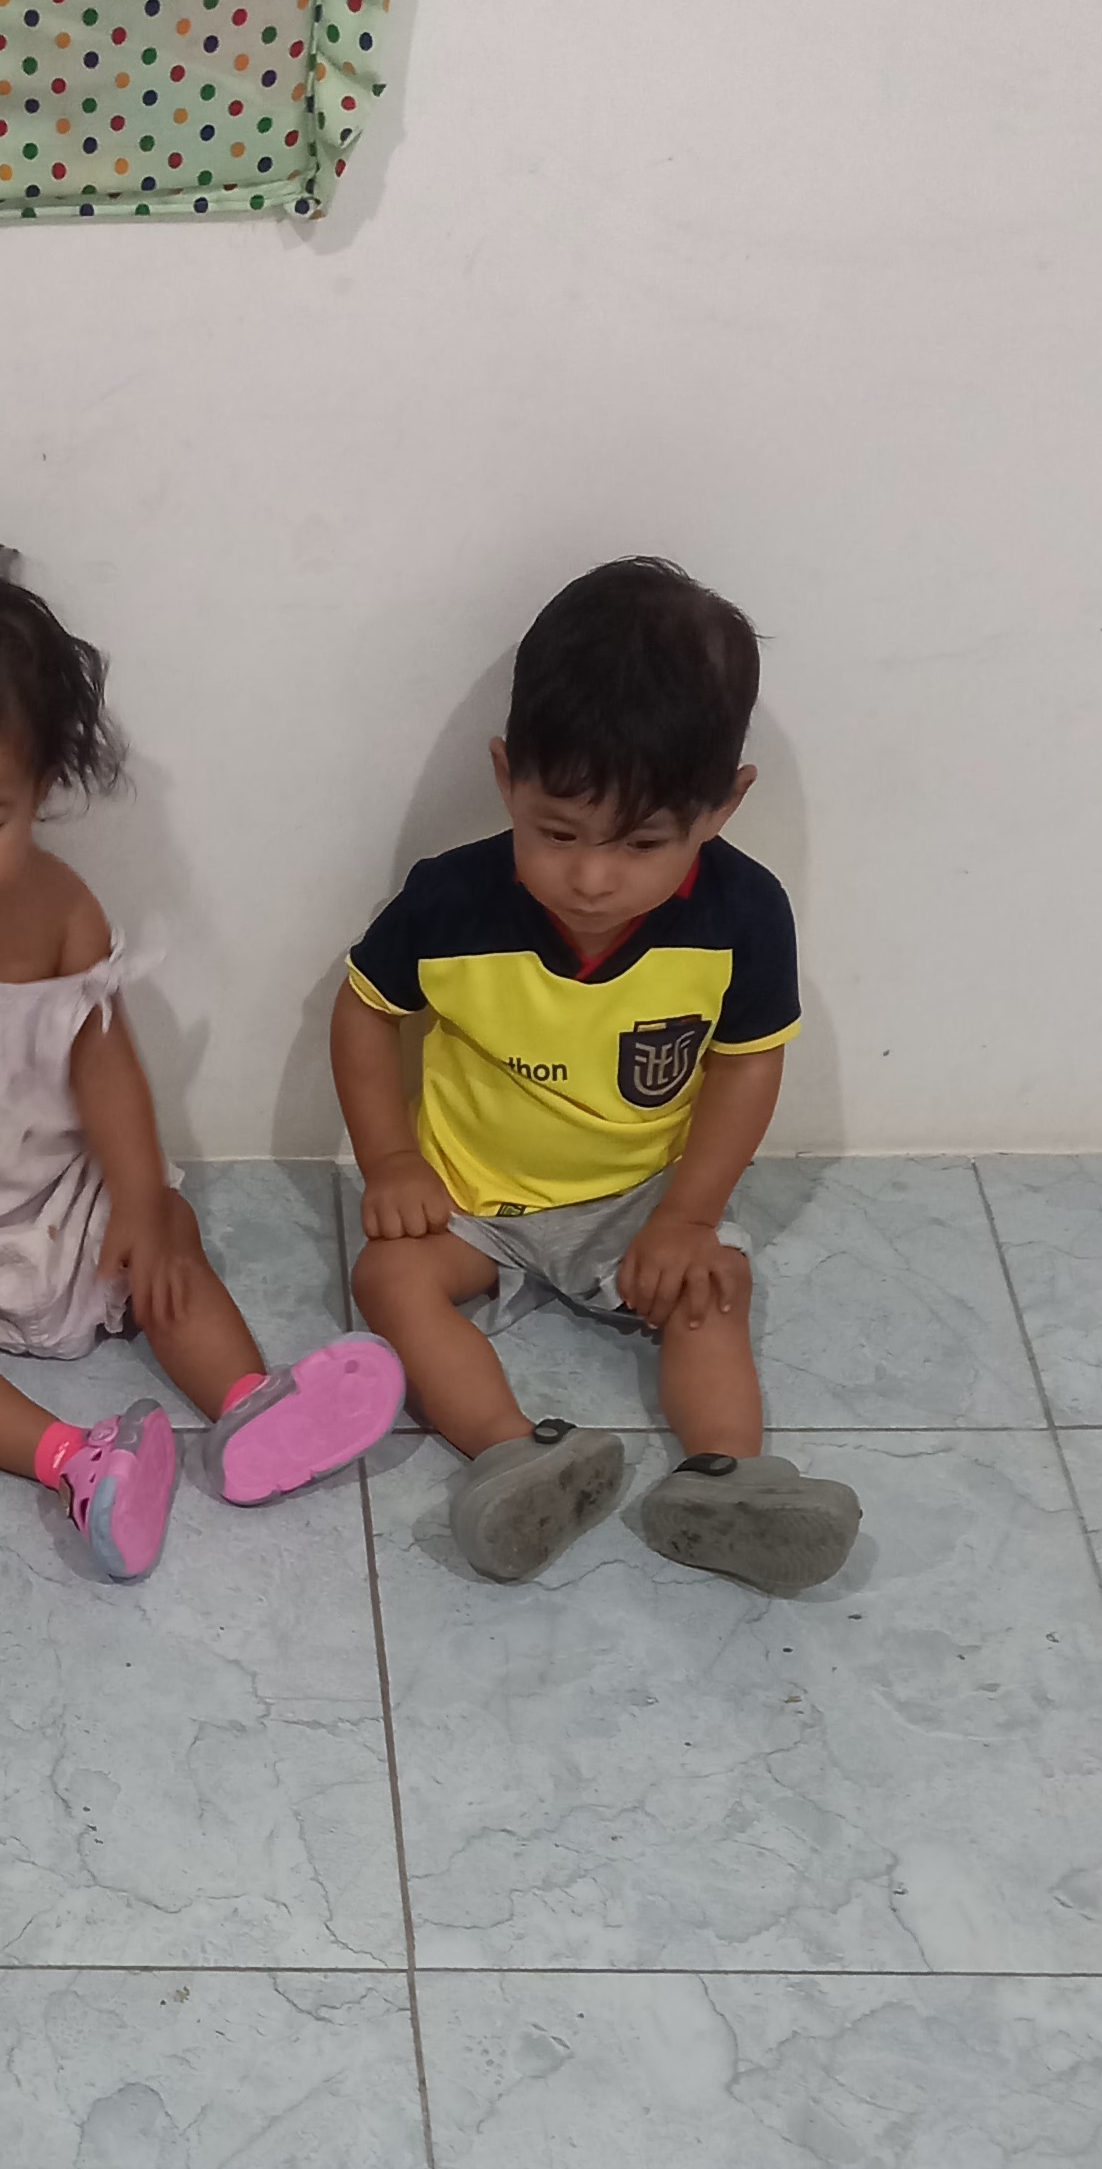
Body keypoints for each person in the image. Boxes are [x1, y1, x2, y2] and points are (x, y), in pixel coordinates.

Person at [0, 554, 404, 1584]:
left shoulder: (62, 908)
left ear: (41, 793)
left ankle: (250, 1405)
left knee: (169, 1232)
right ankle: (72, 1461)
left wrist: (139, 1196)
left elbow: (104, 1066)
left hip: (48, 1192)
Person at [333, 557, 862, 1591]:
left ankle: (727, 1481)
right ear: (507, 776)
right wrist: (391, 1159)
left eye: (641, 843)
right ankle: (514, 1458)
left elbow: (749, 1067)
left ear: (723, 806)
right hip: (470, 1196)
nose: (589, 877)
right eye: (557, 832)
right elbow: (364, 1012)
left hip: (639, 1198)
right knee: (387, 1278)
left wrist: (689, 1217)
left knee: (712, 1292)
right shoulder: (450, 900)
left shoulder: (745, 916)